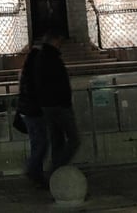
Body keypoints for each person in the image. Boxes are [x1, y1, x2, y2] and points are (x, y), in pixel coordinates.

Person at [33, 29, 79, 176]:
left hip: (49, 105)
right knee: (74, 139)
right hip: (59, 105)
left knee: (57, 139)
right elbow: (57, 82)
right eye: (59, 41)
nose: (61, 44)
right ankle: (55, 169)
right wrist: (65, 101)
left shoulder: (43, 57)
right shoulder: (51, 57)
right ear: (54, 41)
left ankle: (56, 174)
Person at [16, 39, 47, 188]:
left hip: (26, 112)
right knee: (41, 143)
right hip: (34, 112)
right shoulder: (35, 72)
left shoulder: (24, 71)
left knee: (37, 143)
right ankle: (32, 169)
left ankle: (36, 173)